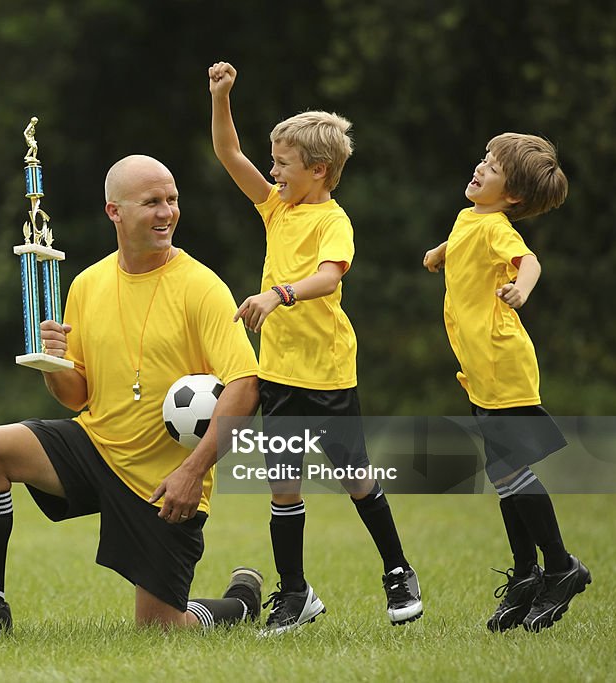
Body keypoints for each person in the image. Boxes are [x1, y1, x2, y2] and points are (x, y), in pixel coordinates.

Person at [0, 154, 262, 635]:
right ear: (114, 212)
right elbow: (78, 397)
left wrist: (193, 471)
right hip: (95, 447)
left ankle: (238, 604)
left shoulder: (202, 288)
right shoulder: (87, 284)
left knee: (161, 630)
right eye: (152, 202)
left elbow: (246, 385)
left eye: (173, 200)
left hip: (164, 483)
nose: (167, 212)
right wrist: (53, 364)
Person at [208, 61, 423, 634]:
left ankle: (399, 570)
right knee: (283, 486)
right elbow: (229, 154)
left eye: (282, 163)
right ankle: (295, 593)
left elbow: (329, 278)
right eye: (274, 161)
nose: (272, 171)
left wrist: (277, 294)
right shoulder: (277, 207)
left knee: (356, 479)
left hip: (327, 373)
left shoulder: (334, 221)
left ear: (318, 169)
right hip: (278, 371)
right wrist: (223, 96)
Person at [423, 133, 590, 632]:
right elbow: (465, 240)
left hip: (501, 362)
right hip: (479, 367)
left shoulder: (499, 227)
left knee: (510, 471)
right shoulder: (472, 215)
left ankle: (559, 567)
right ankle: (525, 576)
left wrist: (521, 288)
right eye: (483, 159)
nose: (479, 168)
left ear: (512, 195)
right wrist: (441, 252)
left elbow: (528, 261)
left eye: (491, 167)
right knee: (502, 475)